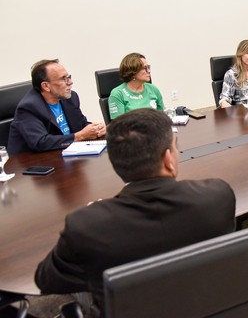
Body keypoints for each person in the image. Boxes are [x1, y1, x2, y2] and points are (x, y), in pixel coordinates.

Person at [34, 108, 236, 315]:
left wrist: (98, 214)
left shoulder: (86, 224)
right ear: (168, 159)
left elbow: (45, 280)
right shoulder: (218, 196)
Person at [8, 59, 105, 154]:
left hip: (66, 155)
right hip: (34, 163)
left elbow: (81, 124)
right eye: (63, 79)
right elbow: (40, 142)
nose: (70, 82)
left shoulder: (70, 98)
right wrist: (79, 136)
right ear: (46, 86)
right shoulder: (29, 108)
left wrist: (96, 129)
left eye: (68, 77)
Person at [108, 52, 164, 119]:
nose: (149, 71)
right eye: (144, 68)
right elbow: (119, 125)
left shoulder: (153, 89)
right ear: (133, 72)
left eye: (148, 67)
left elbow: (162, 117)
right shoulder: (117, 94)